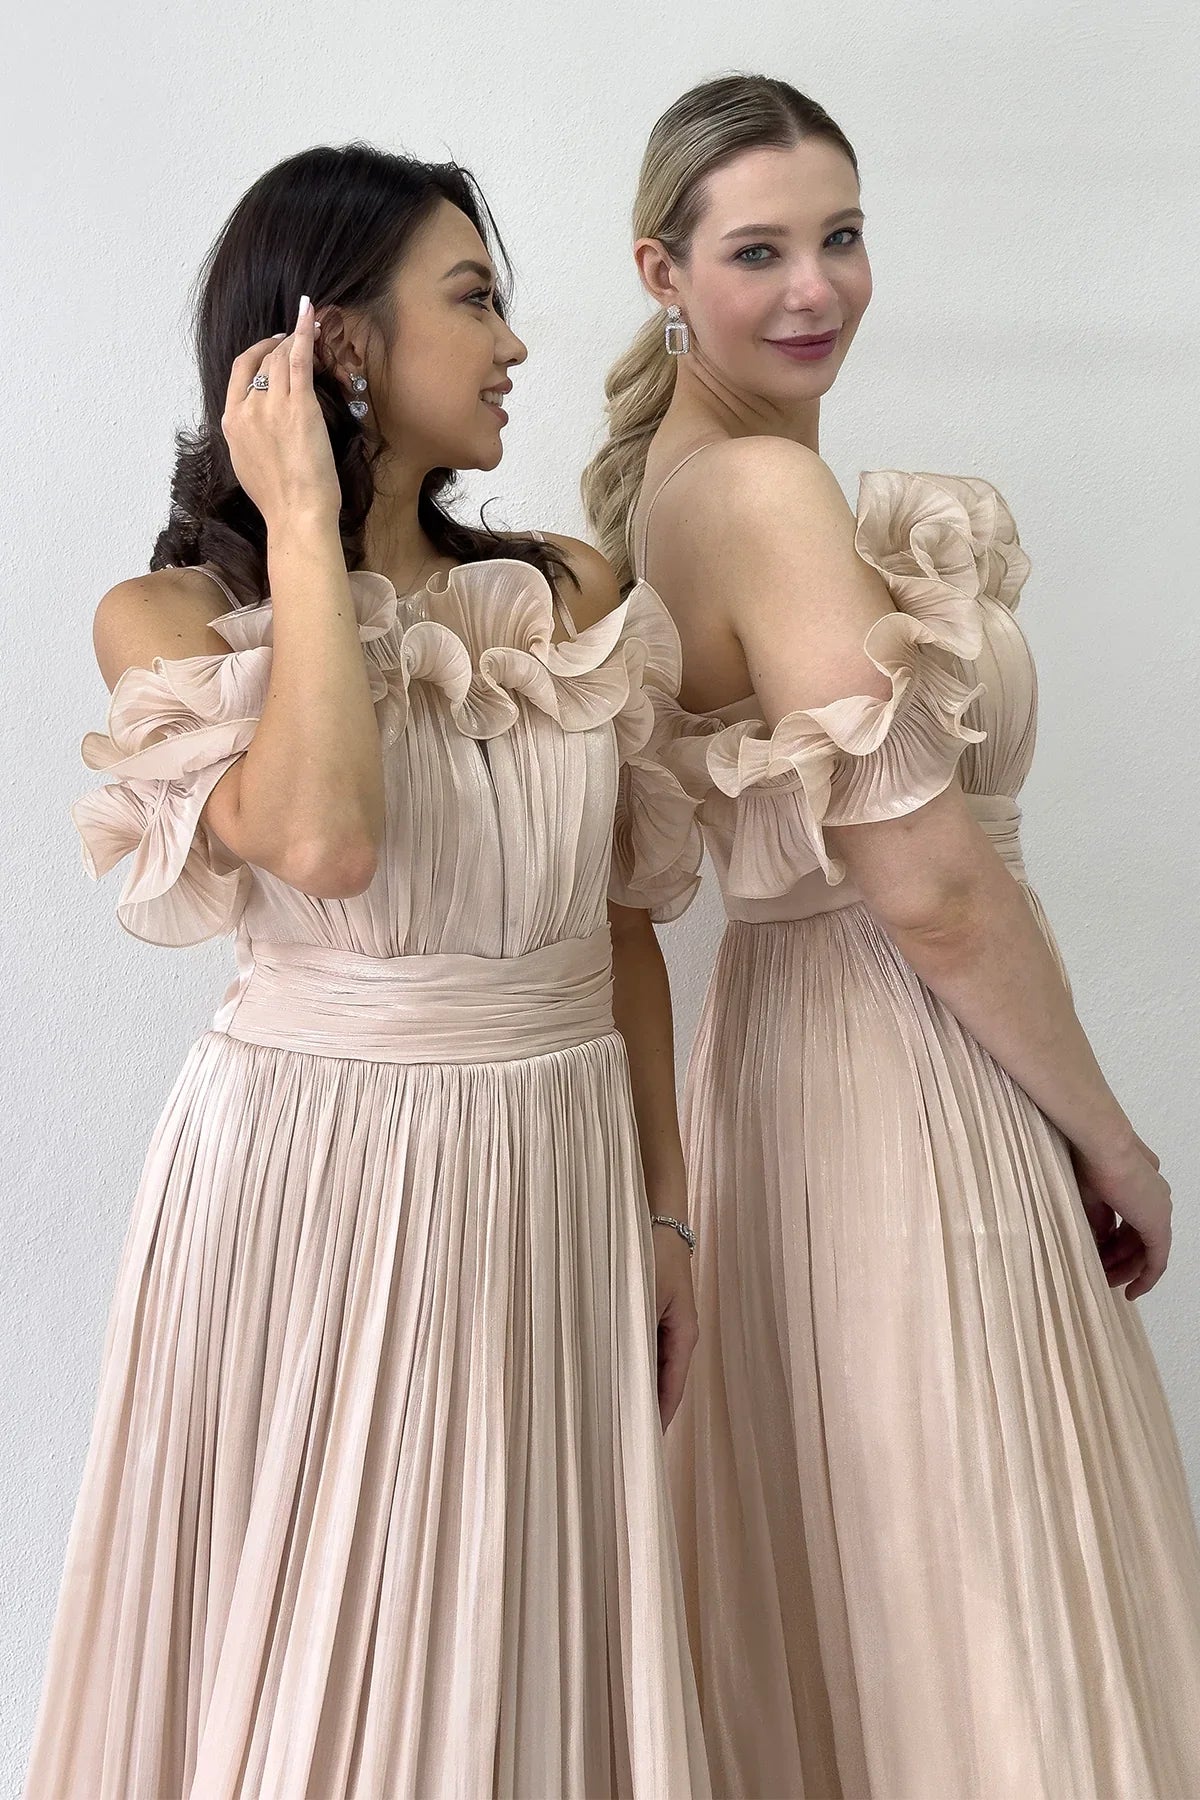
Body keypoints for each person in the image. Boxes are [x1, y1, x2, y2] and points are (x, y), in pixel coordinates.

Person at [24, 143, 710, 1799]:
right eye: (474, 300)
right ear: (337, 342)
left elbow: (618, 923)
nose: (515, 344)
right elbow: (324, 838)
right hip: (315, 1184)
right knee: (322, 1668)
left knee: (511, 1657)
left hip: (551, 1180)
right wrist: (306, 529)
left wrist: (668, 1212)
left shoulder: (568, 597)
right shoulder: (172, 620)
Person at [587, 73, 1200, 1799]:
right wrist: (1117, 1140)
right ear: (661, 272)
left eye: (843, 237)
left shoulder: (695, 492)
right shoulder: (763, 499)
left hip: (803, 1070)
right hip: (905, 1069)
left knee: (890, 1565)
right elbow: (926, 884)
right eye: (759, 251)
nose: (818, 288)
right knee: (984, 1569)